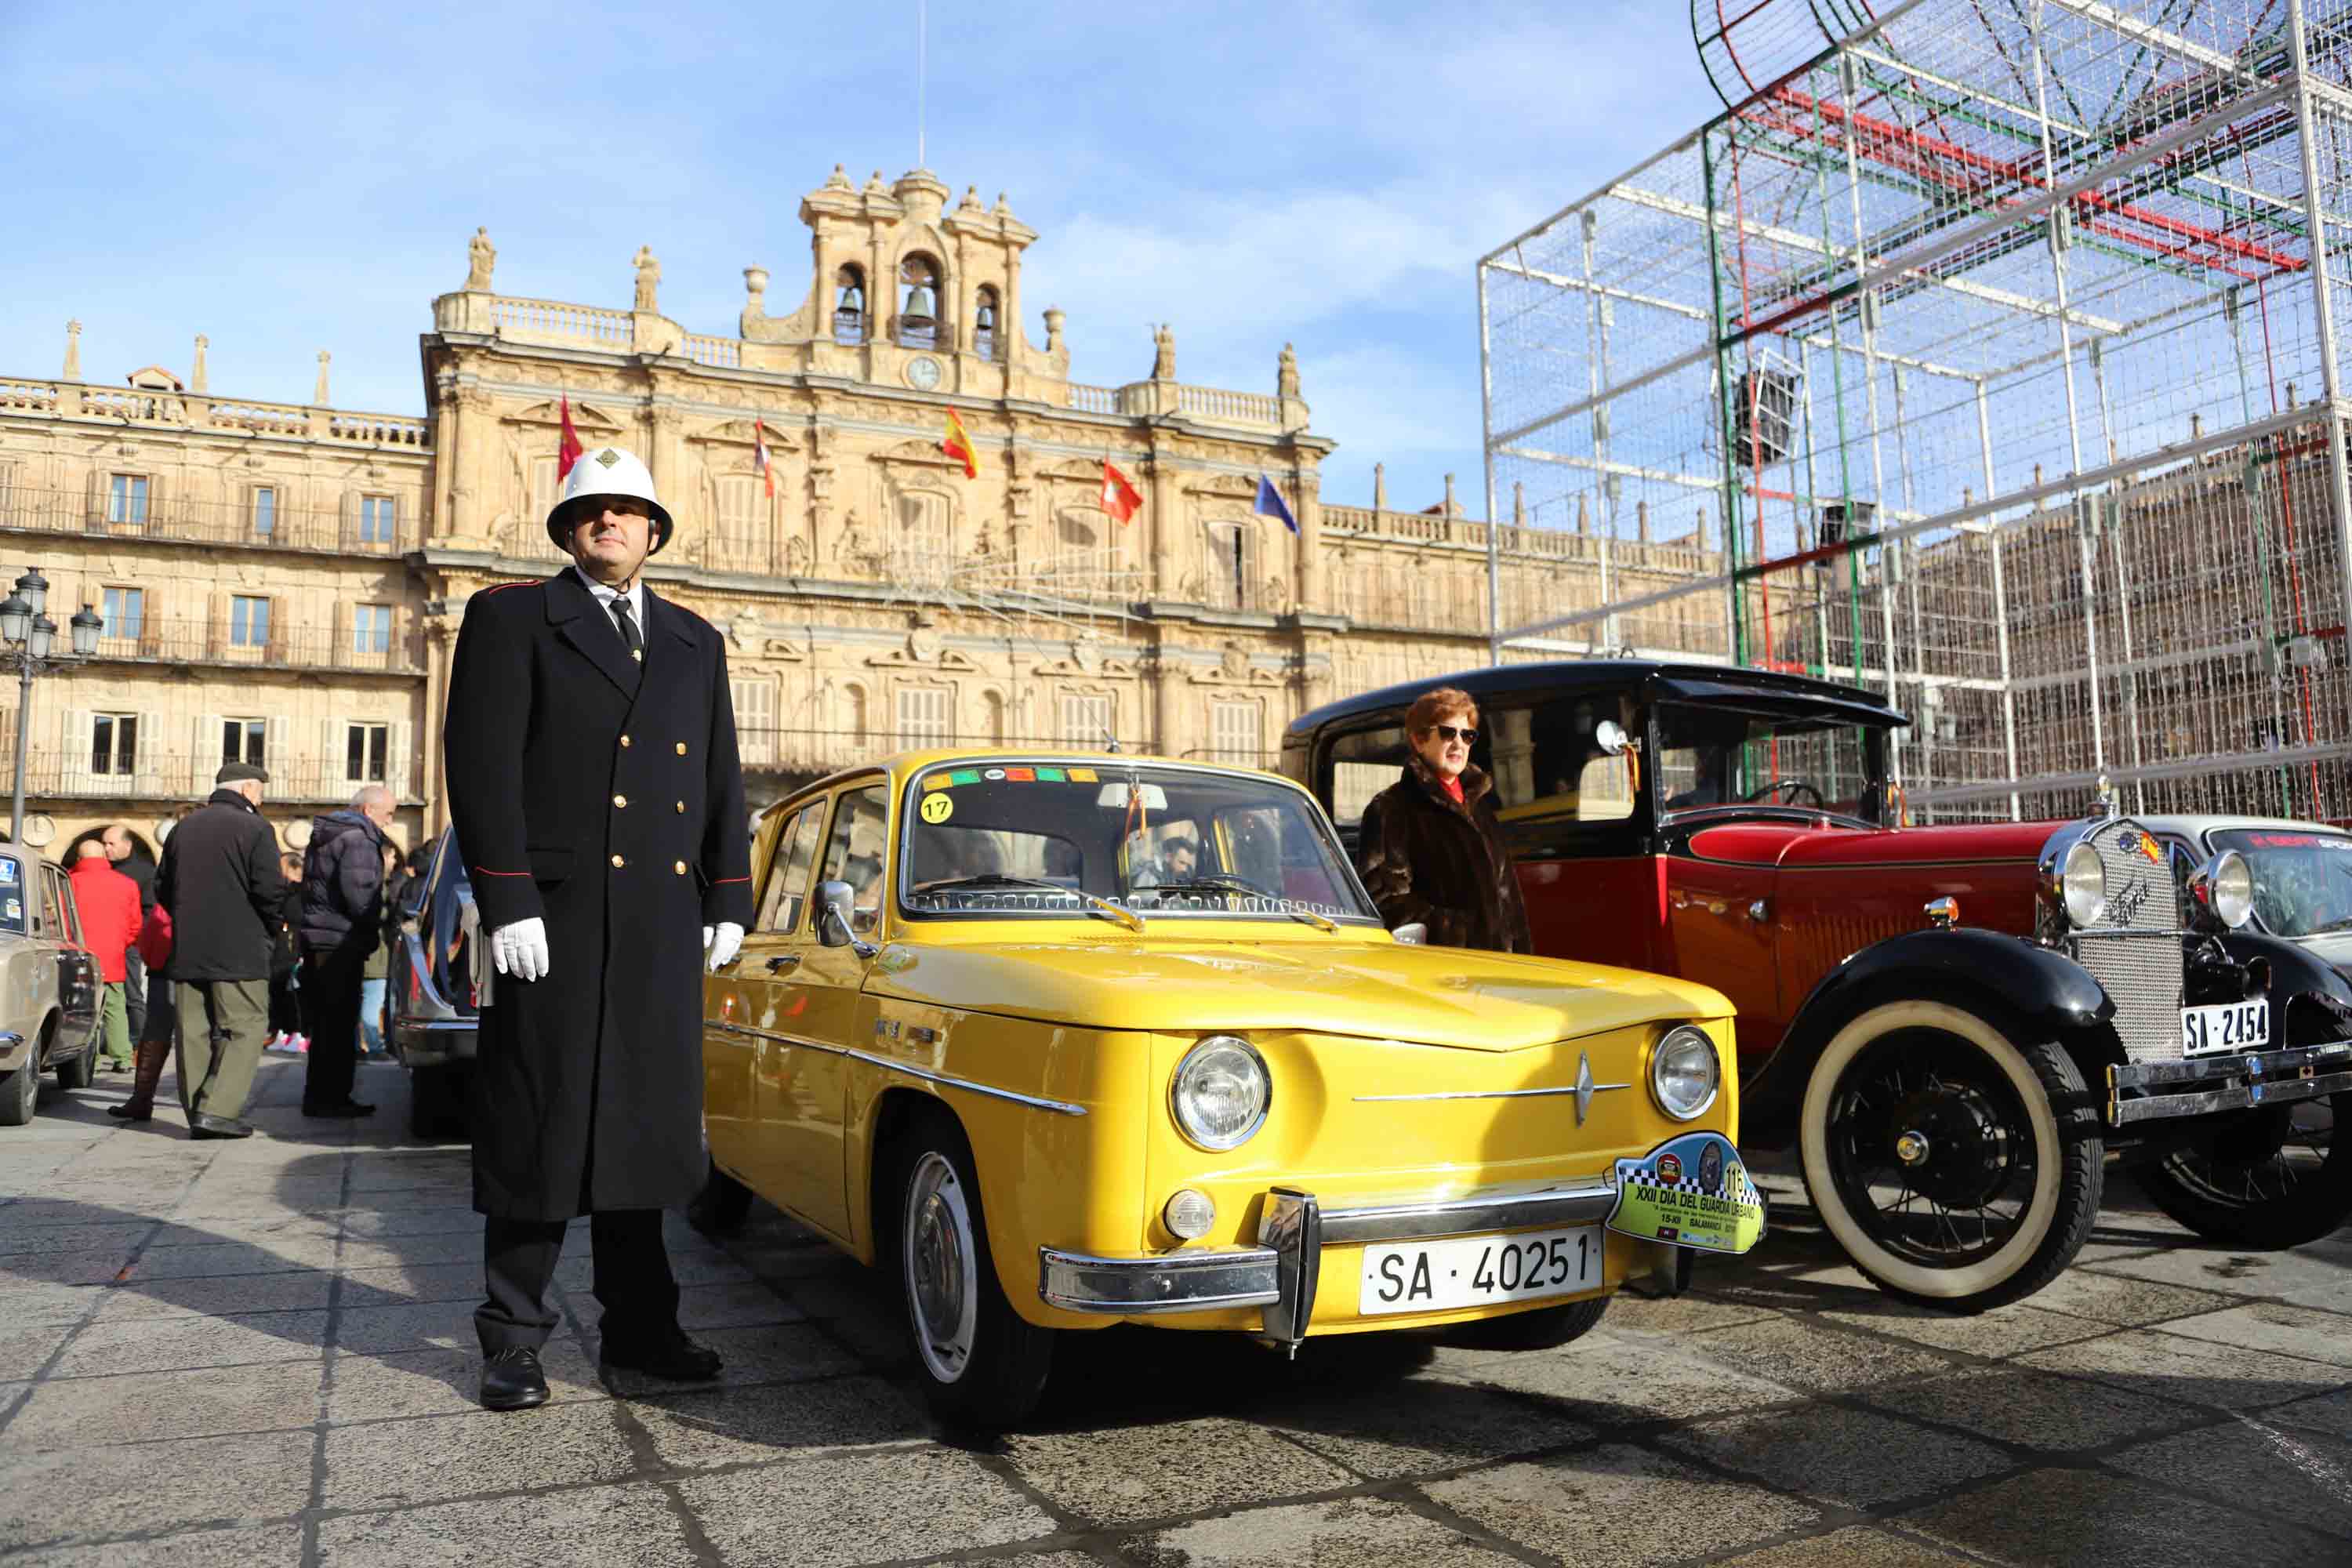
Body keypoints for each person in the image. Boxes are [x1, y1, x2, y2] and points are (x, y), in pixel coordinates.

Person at [443, 443, 751, 1413]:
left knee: (641, 1129)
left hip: (658, 918)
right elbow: (481, 764)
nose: (609, 520)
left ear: (654, 531)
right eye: (592, 509)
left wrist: (728, 894)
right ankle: (512, 1336)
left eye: (627, 509)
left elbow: (720, 775)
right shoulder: (511, 618)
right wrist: (508, 897)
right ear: (568, 529)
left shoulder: (695, 639)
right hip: (558, 918)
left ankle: (642, 1327)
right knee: (539, 1121)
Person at [154, 763, 284, 1138]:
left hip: (189, 947)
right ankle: (217, 1111)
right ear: (247, 789)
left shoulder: (183, 828)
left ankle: (198, 1111)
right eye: (260, 791)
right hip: (240, 949)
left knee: (192, 1031)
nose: (262, 798)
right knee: (245, 1026)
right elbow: (269, 890)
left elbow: (162, 887)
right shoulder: (256, 828)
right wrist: (272, 928)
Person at [1356, 687, 1532, 953]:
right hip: (1445, 965)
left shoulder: (1480, 807)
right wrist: (1460, 933)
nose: (1459, 744)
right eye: (1448, 733)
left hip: (1500, 966)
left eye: (1467, 735)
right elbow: (1386, 901)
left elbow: (1509, 899)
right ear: (1419, 740)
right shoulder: (1392, 808)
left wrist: (1522, 955)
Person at [296, 786, 394, 1116]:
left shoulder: (329, 835)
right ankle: (332, 1098)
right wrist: (374, 928)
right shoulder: (359, 839)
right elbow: (360, 897)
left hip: (320, 937)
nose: (389, 821)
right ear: (368, 810)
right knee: (339, 1024)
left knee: (326, 1024)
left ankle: (319, 1096)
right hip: (341, 941)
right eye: (388, 813)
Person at [67, 841, 143, 1072]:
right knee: (115, 1007)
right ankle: (123, 1058)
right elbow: (135, 926)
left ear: (79, 859)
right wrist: (119, 944)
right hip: (113, 957)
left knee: (82, 1007)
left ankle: (90, 1058)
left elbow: (62, 920)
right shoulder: (127, 884)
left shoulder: (69, 882)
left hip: (79, 957)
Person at [100, 826, 156, 1044]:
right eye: (104, 843)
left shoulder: (145, 872)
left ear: (127, 845)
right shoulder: (102, 869)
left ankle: (138, 1042)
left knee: (132, 995)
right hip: (102, 942)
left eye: (111, 844)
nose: (107, 848)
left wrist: (133, 938)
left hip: (129, 945)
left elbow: (149, 910)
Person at [358, 840, 402, 1061]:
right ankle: (374, 1046)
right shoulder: (379, 887)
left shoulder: (365, 882)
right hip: (376, 955)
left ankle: (359, 1046)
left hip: (368, 952)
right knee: (373, 1002)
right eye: (392, 856)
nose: (394, 861)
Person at [266, 851, 305, 1052]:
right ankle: (281, 1031)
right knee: (279, 992)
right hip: (281, 949)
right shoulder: (285, 891)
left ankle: (295, 1033)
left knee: (292, 994)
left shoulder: (299, 892)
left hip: (293, 949)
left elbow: (293, 915)